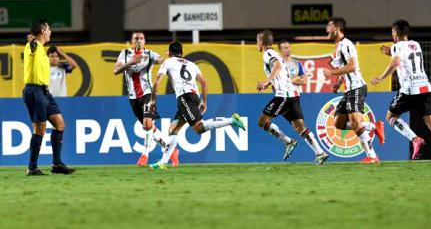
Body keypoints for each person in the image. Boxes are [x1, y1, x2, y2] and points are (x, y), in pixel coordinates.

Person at [149, 41, 246, 169]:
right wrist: (204, 101)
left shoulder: (168, 62)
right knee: (173, 129)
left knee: (199, 128)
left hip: (184, 97)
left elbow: (157, 82)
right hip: (194, 96)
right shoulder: (192, 64)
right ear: (182, 53)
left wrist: (153, 101)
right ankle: (163, 163)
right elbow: (204, 83)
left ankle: (232, 120)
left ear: (170, 53)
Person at [372, 20, 431, 169]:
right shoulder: (416, 44)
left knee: (390, 117)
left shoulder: (397, 46)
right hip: (425, 87)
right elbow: (405, 55)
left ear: (395, 33)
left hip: (409, 90)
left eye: (392, 32)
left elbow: (396, 62)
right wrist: (390, 51)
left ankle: (415, 139)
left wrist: (381, 77)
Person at [256, 30, 329, 165]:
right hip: (293, 95)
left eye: (257, 41)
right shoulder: (276, 54)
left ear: (261, 43)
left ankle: (288, 142)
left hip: (283, 95)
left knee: (262, 122)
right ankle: (320, 153)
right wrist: (269, 83)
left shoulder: (268, 53)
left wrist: (266, 81)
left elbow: (277, 66)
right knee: (300, 127)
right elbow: (278, 71)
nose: (256, 44)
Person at [323, 17, 384, 163]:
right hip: (349, 90)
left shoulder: (346, 44)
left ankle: (372, 156)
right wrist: (338, 83)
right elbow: (343, 69)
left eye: (329, 26)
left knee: (356, 122)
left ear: (336, 28)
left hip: (356, 87)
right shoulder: (338, 46)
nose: (326, 29)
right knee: (338, 123)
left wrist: (331, 73)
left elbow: (352, 67)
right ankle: (373, 126)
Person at [114, 31, 179, 167]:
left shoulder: (150, 54)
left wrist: (169, 59)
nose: (139, 41)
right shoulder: (124, 54)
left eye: (141, 38)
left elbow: (162, 60)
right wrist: (130, 63)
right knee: (150, 127)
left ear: (145, 41)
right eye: (136, 38)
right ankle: (170, 149)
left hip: (147, 94)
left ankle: (145, 155)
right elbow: (116, 70)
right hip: (133, 96)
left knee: (147, 124)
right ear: (132, 41)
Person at [23, 19, 75, 175]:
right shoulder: (33, 46)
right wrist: (32, 41)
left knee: (60, 124)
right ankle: (32, 168)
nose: (50, 32)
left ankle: (57, 164)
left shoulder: (42, 50)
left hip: (45, 92)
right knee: (40, 129)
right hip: (34, 91)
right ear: (42, 32)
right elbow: (32, 47)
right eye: (48, 29)